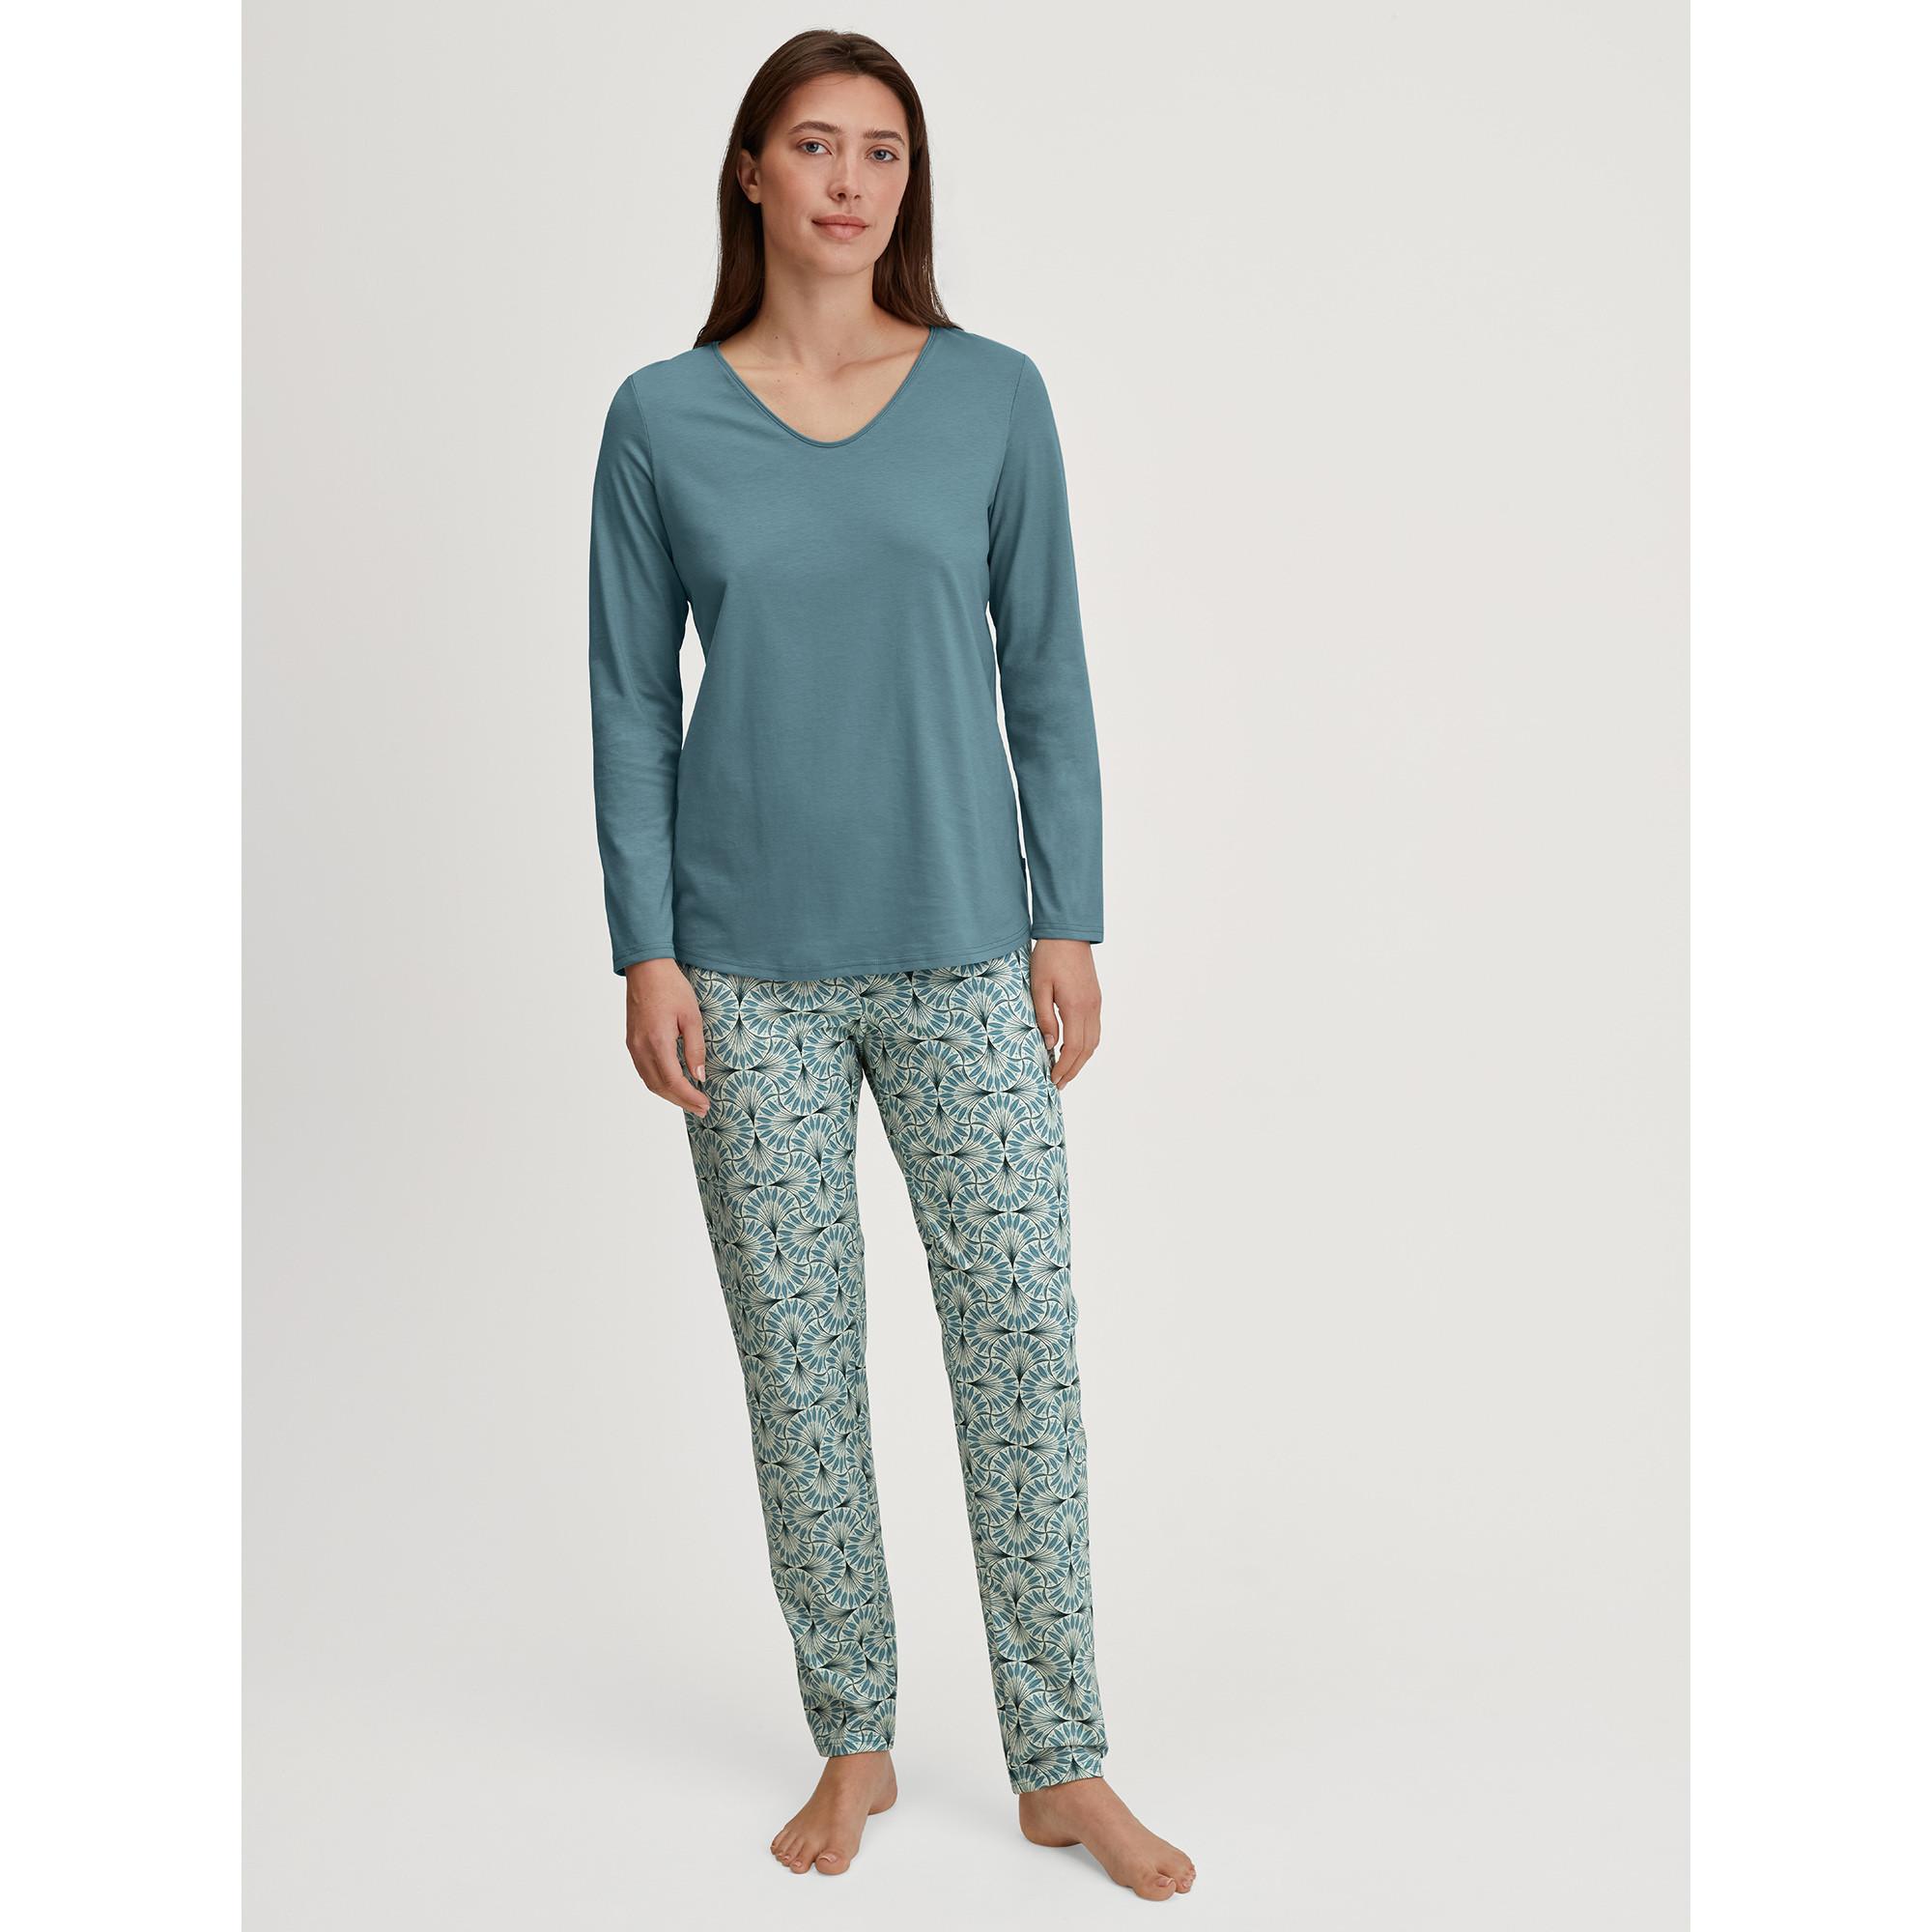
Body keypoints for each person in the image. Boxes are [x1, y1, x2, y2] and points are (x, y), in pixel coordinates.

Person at [586, 29, 1194, 1902]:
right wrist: (645, 947)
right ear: (751, 172)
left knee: (1020, 1347)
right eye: (814, 145)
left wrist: (1067, 914)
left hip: (961, 954)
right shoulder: (661, 419)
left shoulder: (993, 398)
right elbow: (629, 700)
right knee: (800, 1367)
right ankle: (852, 1733)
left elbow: (1049, 668)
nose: (850, 181)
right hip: (744, 971)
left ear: (907, 185)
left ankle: (1059, 1760)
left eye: (882, 152)